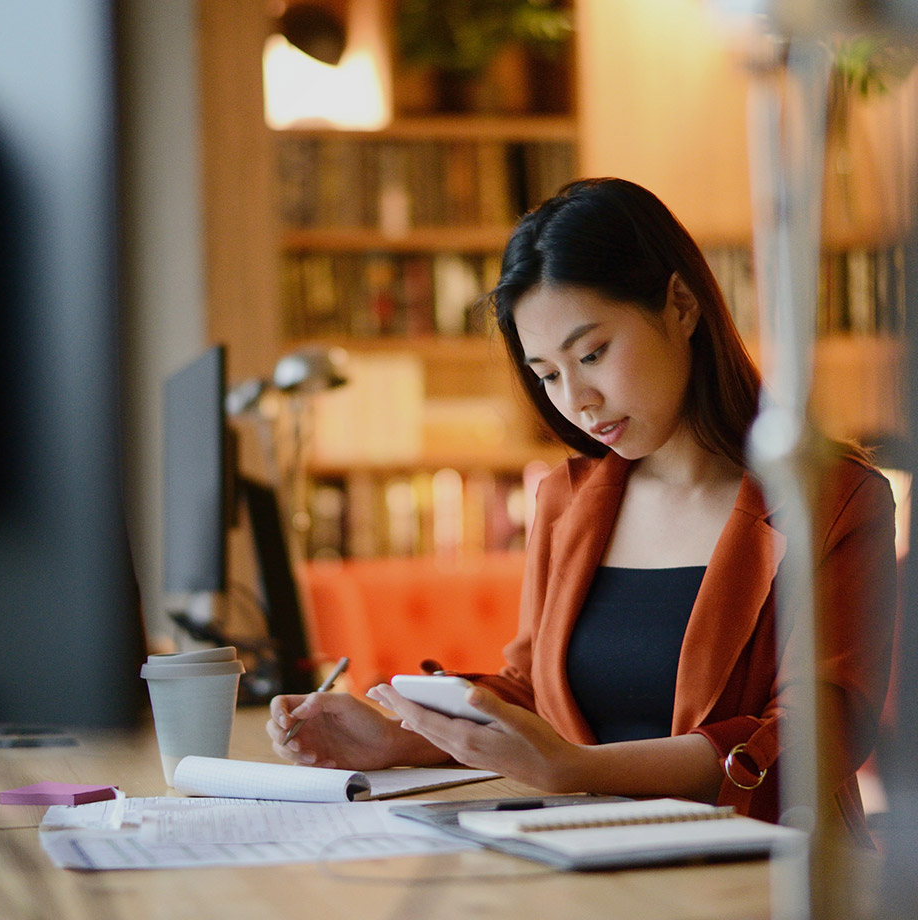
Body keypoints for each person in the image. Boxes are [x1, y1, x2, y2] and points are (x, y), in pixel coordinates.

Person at [266, 178, 897, 846]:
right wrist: (398, 736)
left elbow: (816, 735)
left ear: (681, 305)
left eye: (592, 354)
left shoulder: (832, 500)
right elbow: (534, 693)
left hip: (766, 869)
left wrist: (578, 769)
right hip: (593, 859)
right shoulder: (568, 501)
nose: (577, 400)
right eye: (547, 374)